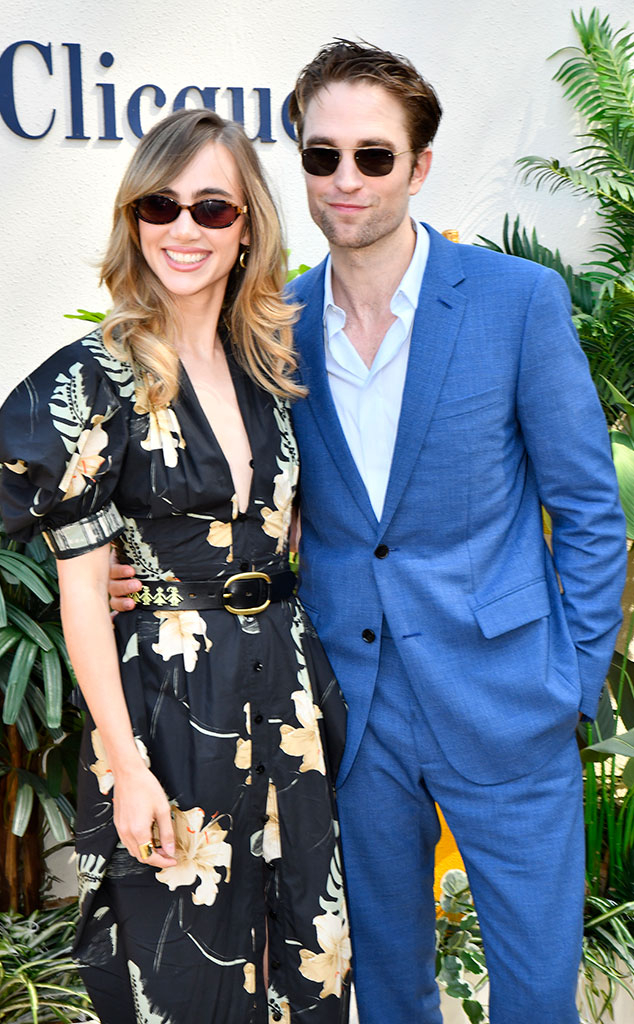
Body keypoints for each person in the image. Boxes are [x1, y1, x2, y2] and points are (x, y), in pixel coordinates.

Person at [107, 41, 627, 1024]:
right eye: (320, 155)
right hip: (351, 713)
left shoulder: (517, 303)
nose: (344, 180)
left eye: (372, 156)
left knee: (535, 996)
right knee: (386, 990)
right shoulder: (271, 327)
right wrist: (142, 576)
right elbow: (234, 508)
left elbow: (591, 511)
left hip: (509, 699)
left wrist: (570, 676)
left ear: (419, 166)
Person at [0, 108, 352, 1024]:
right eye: (161, 206)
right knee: (181, 974)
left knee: (301, 964)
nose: (184, 229)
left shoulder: (272, 365)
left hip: (288, 699)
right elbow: (82, 597)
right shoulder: (90, 381)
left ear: (248, 227)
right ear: (134, 221)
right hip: (165, 710)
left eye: (212, 209)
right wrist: (128, 767)